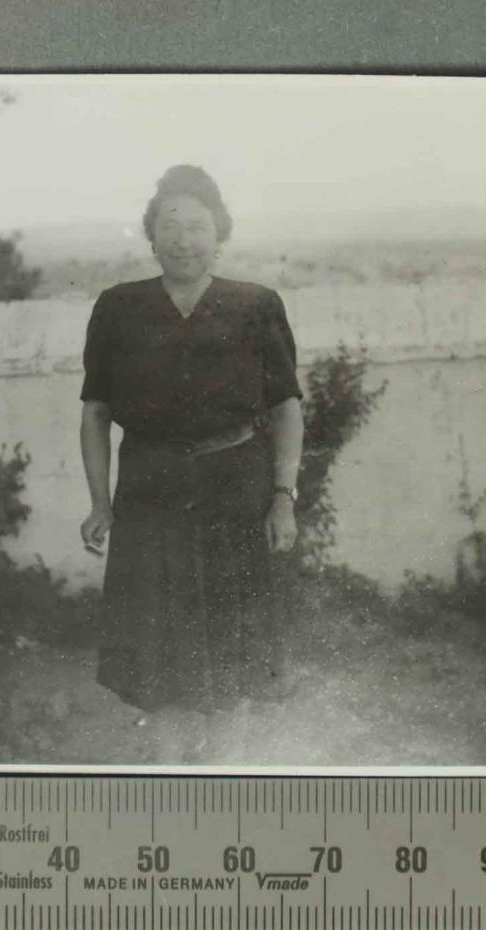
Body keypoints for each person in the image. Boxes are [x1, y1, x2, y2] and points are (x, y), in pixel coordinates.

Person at [78, 164, 305, 714]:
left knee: (235, 657)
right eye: (170, 224)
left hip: (234, 495)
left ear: (219, 234)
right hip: (149, 498)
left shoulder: (255, 306)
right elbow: (95, 414)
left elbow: (286, 408)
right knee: (160, 659)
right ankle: (168, 776)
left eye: (198, 225)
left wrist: (283, 498)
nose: (184, 239)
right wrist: (100, 504)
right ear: (151, 235)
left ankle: (229, 777)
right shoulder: (119, 308)